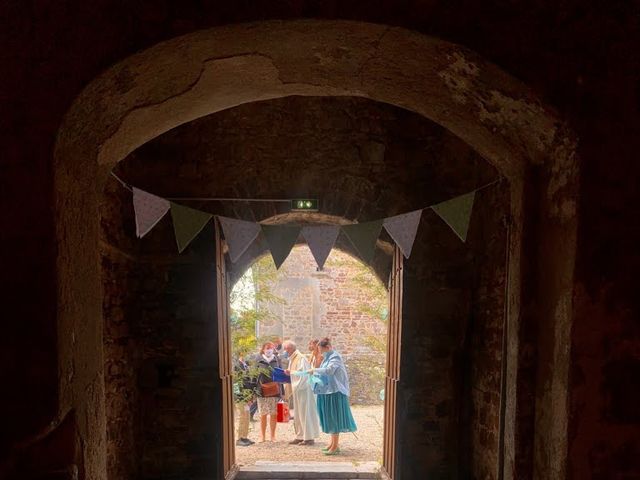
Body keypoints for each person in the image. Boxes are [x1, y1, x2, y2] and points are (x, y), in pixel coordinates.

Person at [309, 337, 357, 455]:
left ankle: (335, 446)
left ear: (328, 347)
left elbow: (330, 371)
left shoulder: (335, 357)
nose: (321, 352)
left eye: (322, 350)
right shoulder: (327, 357)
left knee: (333, 417)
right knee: (329, 417)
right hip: (327, 391)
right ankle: (332, 443)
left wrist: (314, 370)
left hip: (334, 392)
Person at [283, 340, 320, 445]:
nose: (285, 351)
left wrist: (291, 373)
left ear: (290, 349)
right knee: (298, 413)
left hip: (303, 388)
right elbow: (294, 372)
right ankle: (300, 435)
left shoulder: (301, 358)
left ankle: (309, 437)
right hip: (298, 389)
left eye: (285, 349)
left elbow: (305, 374)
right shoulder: (293, 358)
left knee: (305, 412)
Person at [254, 341, 282, 442]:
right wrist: (254, 391)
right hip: (262, 391)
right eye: (267, 348)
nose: (269, 350)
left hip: (274, 390)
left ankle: (273, 436)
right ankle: (262, 436)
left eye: (271, 348)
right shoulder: (258, 359)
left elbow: (281, 374)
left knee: (274, 414)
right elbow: (254, 376)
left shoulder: (277, 359)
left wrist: (281, 392)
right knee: (263, 415)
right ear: (263, 349)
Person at [233, 355, 256, 447]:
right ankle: (239, 438)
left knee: (246, 416)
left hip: (247, 396)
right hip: (241, 397)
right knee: (242, 416)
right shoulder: (236, 366)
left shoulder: (246, 365)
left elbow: (249, 382)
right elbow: (235, 382)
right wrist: (239, 397)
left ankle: (244, 436)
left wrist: (250, 396)